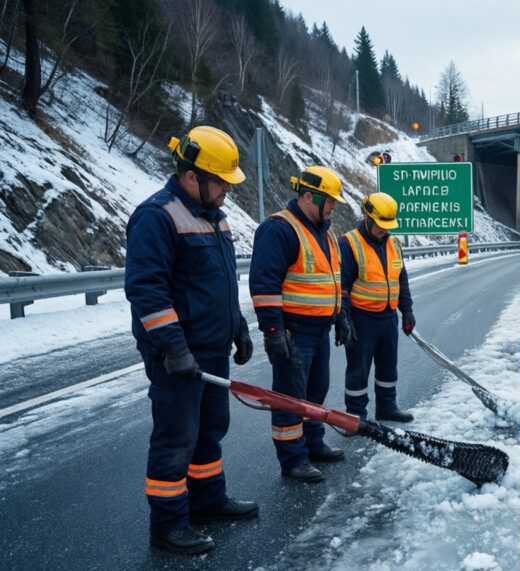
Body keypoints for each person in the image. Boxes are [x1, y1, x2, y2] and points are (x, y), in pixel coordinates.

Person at [125, 126, 258, 555]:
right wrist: (173, 347)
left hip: (212, 348)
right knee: (176, 437)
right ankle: (167, 525)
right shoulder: (157, 216)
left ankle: (207, 501)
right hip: (178, 356)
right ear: (190, 176)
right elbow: (147, 289)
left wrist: (236, 324)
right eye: (220, 181)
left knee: (209, 431)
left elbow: (219, 283)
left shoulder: (214, 217)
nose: (226, 191)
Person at [249, 166, 348, 484]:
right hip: (294, 333)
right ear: (309, 196)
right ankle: (293, 459)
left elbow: (333, 279)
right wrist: (274, 331)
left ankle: (313, 444)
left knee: (315, 392)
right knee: (290, 399)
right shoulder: (279, 229)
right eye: (330, 201)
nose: (334, 207)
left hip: (319, 331)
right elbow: (264, 285)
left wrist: (340, 316)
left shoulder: (326, 231)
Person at [340, 192, 416, 422]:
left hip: (388, 317)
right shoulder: (350, 243)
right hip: (362, 319)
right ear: (367, 217)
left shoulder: (393, 243)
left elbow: (400, 280)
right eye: (381, 225)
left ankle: (387, 406)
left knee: (388, 367)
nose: (385, 230)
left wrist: (407, 310)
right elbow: (342, 287)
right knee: (358, 370)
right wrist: (344, 318)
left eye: (388, 225)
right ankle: (356, 415)